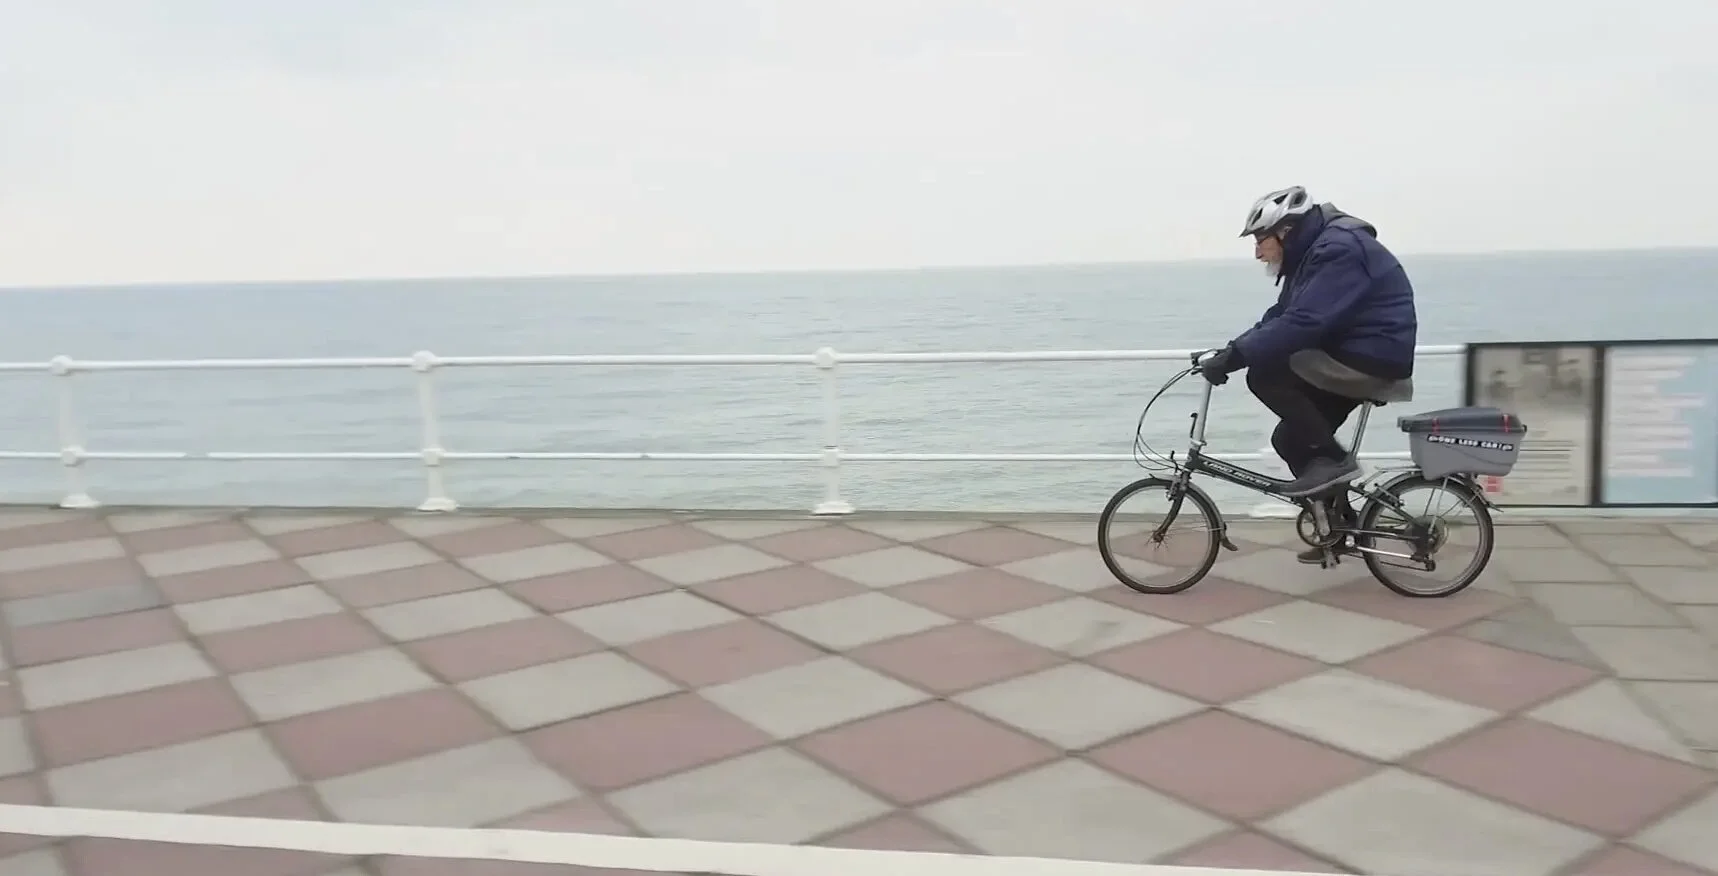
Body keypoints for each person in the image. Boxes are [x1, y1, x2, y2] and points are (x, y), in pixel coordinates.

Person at [1199, 186, 1418, 562]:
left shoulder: (1339, 249)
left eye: (1259, 241)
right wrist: (1231, 350)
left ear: (1284, 231)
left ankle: (1337, 461)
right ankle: (1339, 529)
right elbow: (1281, 317)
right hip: (1354, 354)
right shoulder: (1312, 253)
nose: (1257, 253)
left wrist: (1239, 358)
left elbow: (1304, 323)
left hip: (1372, 358)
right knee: (1290, 440)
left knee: (1265, 375)